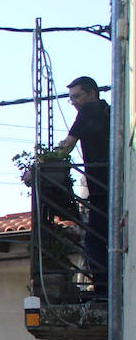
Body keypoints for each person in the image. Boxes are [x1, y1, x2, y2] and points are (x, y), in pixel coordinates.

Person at [53, 75, 110, 295]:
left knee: (94, 242)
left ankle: (103, 291)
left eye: (77, 96)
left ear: (91, 94)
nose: (74, 102)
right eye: (71, 99)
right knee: (105, 238)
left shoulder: (89, 110)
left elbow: (67, 145)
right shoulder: (108, 111)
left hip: (100, 187)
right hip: (109, 184)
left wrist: (42, 162)